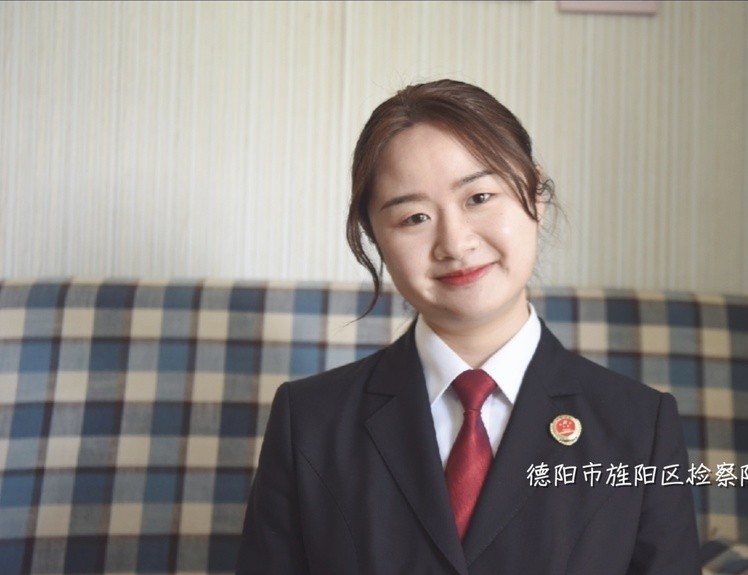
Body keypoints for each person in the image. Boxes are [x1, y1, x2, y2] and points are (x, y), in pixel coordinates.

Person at [236, 79, 700, 574]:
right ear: (377, 240)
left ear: (535, 195)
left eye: (479, 197)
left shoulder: (640, 426)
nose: (454, 244)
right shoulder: (308, 421)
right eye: (414, 217)